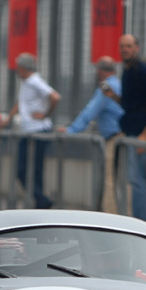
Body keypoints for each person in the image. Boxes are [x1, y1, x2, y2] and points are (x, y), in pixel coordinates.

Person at [113, 34, 146, 222]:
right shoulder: (127, 72)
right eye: (122, 46)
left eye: (128, 46)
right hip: (132, 132)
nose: (125, 49)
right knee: (134, 180)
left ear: (137, 48)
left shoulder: (145, 72)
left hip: (142, 135)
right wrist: (113, 97)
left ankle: (141, 223)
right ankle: (139, 219)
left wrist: (145, 135)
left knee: (138, 180)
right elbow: (133, 105)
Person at [60, 56, 124, 213]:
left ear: (100, 71)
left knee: (110, 179)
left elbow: (89, 113)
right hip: (126, 136)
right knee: (125, 178)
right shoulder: (120, 84)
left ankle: (111, 217)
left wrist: (71, 130)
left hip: (113, 138)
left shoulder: (106, 88)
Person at [2, 52, 60, 209]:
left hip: (38, 130)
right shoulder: (27, 83)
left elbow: (54, 97)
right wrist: (8, 118)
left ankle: (41, 199)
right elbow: (21, 103)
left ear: (22, 68)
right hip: (30, 131)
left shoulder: (34, 81)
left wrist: (45, 114)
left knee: (29, 169)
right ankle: (41, 199)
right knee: (31, 169)